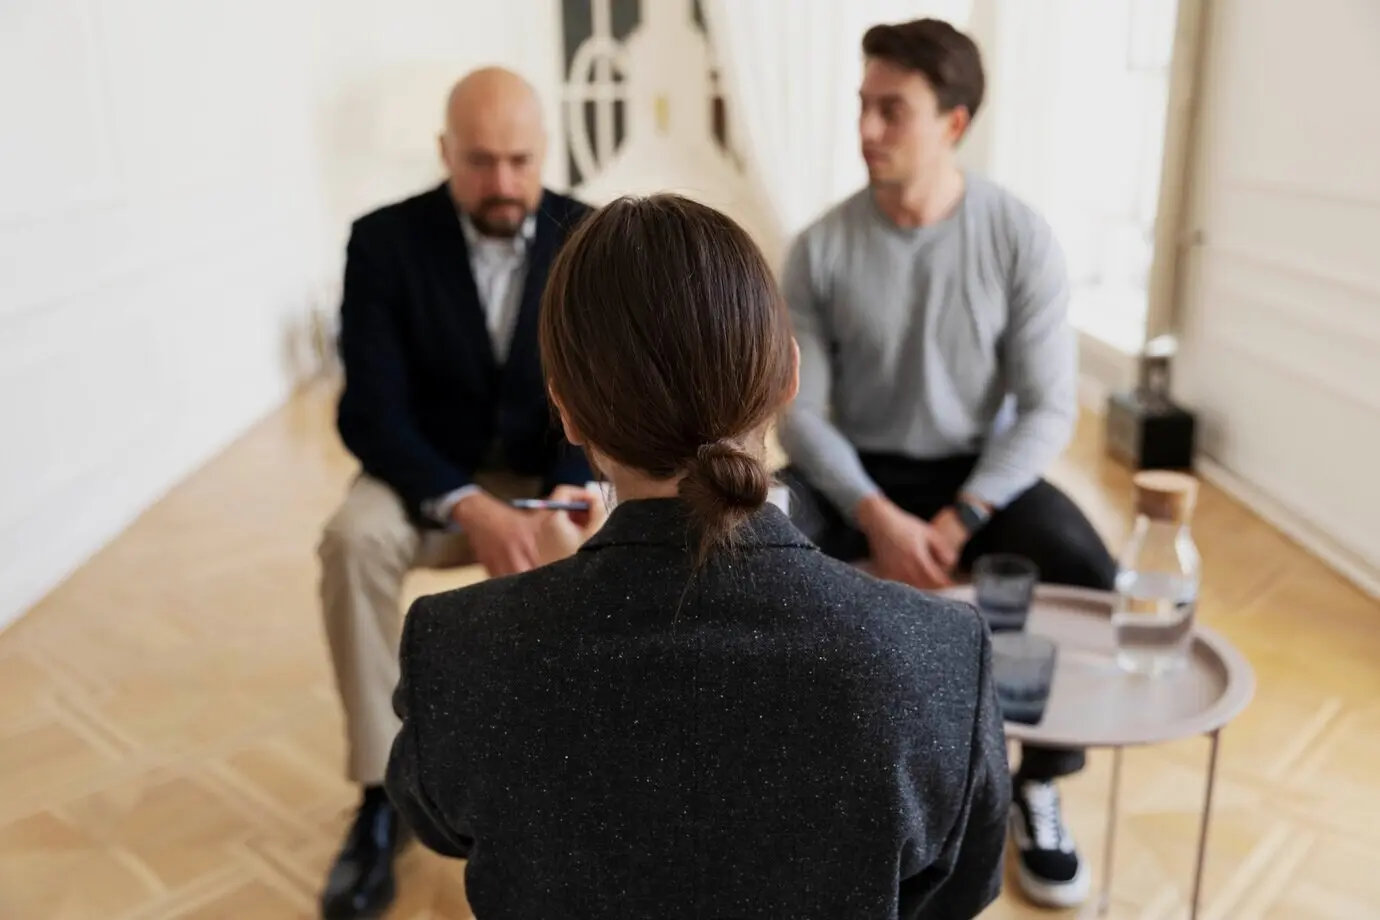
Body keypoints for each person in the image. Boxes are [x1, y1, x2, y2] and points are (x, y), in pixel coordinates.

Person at [385, 194, 1010, 919]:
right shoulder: (940, 654)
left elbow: (442, 821)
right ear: (788, 380)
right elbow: (957, 890)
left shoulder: (459, 651)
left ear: (568, 410)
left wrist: (533, 605)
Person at [775, 18, 1119, 911]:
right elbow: (799, 409)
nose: (867, 130)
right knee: (756, 535)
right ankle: (794, 778)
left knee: (1087, 566)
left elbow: (1048, 407)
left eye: (893, 111)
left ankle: (1038, 783)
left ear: (954, 123)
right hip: (856, 471)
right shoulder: (818, 247)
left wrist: (960, 518)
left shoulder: (1020, 238)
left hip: (976, 476)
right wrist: (878, 515)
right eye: (862, 107)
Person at [316, 67, 593, 920]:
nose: (504, 183)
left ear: (546, 151)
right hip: (425, 477)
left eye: (520, 159)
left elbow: (610, 384)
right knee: (350, 540)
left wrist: (570, 493)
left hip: (553, 473)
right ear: (445, 152)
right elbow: (368, 411)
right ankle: (379, 798)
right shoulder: (383, 241)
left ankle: (558, 783)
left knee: (594, 554)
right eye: (481, 161)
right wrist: (468, 505)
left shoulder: (589, 234)